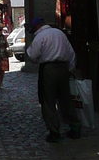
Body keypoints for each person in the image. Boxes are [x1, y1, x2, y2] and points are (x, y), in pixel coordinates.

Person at [25, 15, 80, 143]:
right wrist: (71, 70)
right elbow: (71, 53)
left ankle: (54, 131)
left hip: (48, 69)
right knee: (65, 98)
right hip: (63, 68)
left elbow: (32, 55)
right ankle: (75, 127)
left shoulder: (40, 36)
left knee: (48, 100)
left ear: (37, 26)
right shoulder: (60, 33)